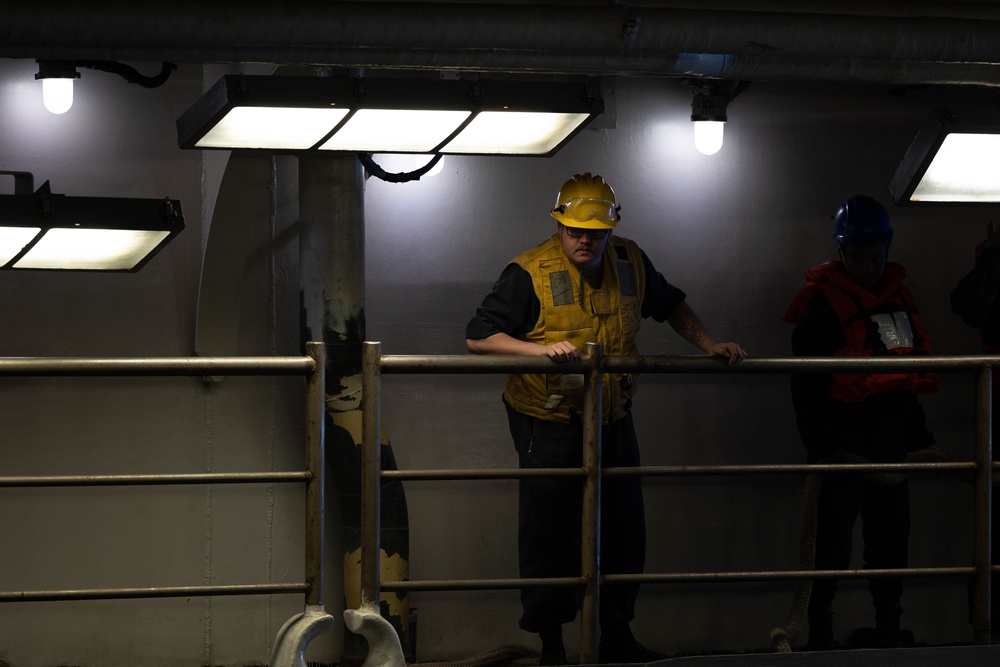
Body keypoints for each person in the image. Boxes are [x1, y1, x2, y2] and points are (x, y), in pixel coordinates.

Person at [465, 172, 746, 665]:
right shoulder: (528, 272)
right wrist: (538, 349)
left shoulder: (630, 261)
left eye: (595, 231)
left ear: (611, 229)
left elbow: (671, 304)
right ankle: (552, 645)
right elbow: (478, 336)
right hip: (547, 421)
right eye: (576, 230)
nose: (585, 240)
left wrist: (709, 344)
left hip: (612, 415)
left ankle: (616, 636)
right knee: (549, 532)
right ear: (559, 226)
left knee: (623, 526)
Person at [783, 194, 947, 650]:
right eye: (859, 258)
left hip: (891, 441)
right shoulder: (820, 310)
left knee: (891, 544)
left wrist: (922, 441)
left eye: (876, 258)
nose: (869, 267)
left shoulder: (898, 304)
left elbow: (904, 381)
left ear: (887, 251)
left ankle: (889, 630)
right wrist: (824, 446)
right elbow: (806, 389)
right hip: (842, 442)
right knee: (831, 546)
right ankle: (820, 637)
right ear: (841, 253)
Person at [949, 219, 1000, 639]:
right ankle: (990, 625)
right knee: (996, 524)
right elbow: (968, 306)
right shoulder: (991, 265)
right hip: (999, 404)